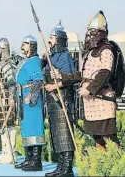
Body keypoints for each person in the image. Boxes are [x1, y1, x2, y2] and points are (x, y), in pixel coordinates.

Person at [52, 11, 123, 151]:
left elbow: (105, 73)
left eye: (92, 32)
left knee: (109, 138)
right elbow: (82, 75)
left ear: (100, 33)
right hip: (92, 103)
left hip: (103, 101)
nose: (89, 36)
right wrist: (62, 76)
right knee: (97, 138)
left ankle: (117, 165)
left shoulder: (106, 50)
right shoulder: (89, 53)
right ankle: (102, 164)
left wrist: (89, 89)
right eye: (89, 32)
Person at [43, 23, 77, 177]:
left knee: (65, 134)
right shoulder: (52, 56)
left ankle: (67, 168)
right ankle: (60, 166)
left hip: (62, 98)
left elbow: (70, 79)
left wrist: (55, 85)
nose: (49, 40)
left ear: (59, 40)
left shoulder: (65, 56)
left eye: (51, 38)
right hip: (53, 101)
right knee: (57, 134)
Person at [15, 35, 45, 171]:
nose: (23, 45)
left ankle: (36, 161)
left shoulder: (34, 61)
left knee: (34, 128)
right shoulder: (25, 61)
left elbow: (38, 80)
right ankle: (28, 159)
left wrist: (31, 96)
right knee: (26, 128)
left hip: (31, 99)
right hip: (23, 96)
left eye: (25, 43)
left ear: (31, 45)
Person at [0, 38, 17, 164]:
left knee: (9, 124)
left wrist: (12, 97)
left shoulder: (9, 64)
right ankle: (4, 151)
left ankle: (11, 152)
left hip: (7, 97)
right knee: (2, 124)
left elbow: (12, 82)